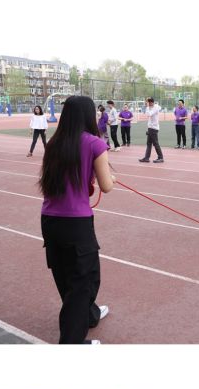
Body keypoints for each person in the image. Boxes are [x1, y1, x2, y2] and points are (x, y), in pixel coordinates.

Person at [37, 95, 114, 344]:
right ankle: (72, 343)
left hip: (50, 220)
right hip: (76, 224)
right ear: (89, 115)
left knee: (65, 275)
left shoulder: (53, 144)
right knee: (84, 280)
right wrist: (108, 176)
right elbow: (107, 186)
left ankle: (88, 315)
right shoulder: (94, 143)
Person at [137, 98, 164, 163]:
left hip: (154, 128)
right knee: (149, 144)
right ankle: (146, 158)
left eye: (148, 102)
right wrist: (147, 107)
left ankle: (160, 157)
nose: (148, 104)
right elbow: (147, 114)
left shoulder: (155, 108)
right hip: (150, 128)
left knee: (155, 143)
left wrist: (147, 107)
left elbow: (149, 114)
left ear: (151, 102)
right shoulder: (150, 107)